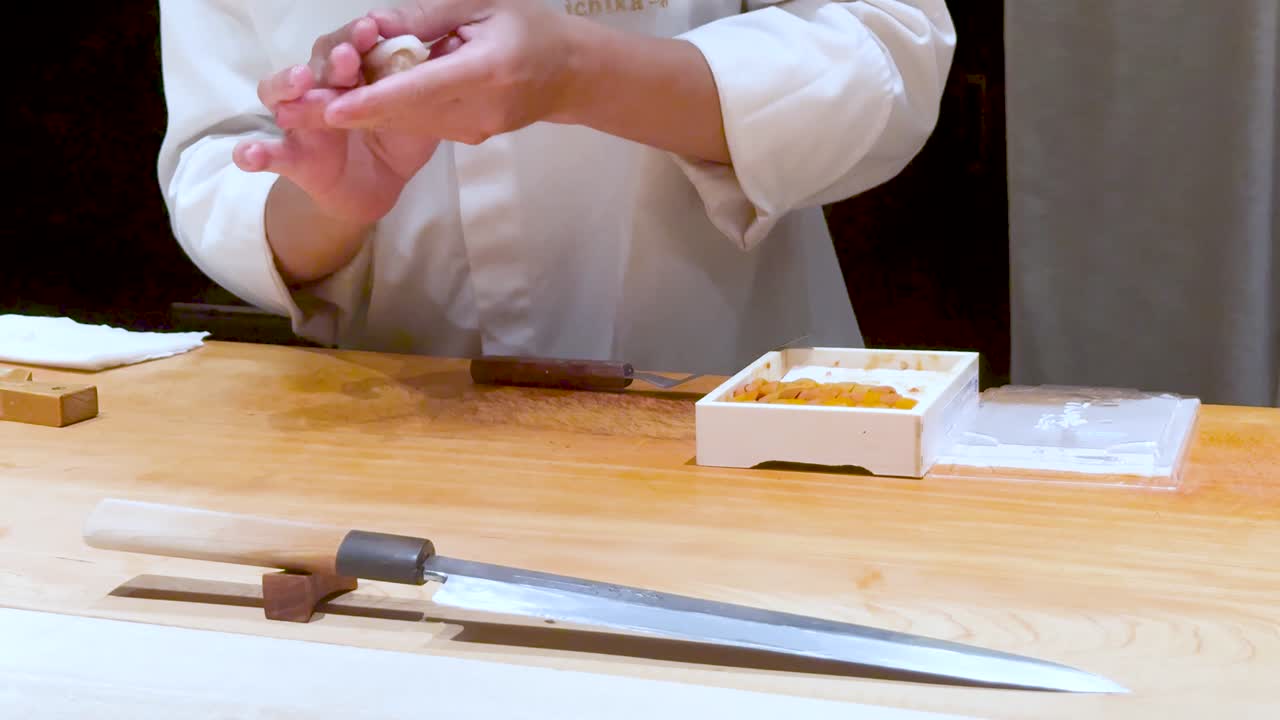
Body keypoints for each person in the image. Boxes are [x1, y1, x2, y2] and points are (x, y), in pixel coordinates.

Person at [156, 1, 956, 375]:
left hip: (737, 406)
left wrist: (583, 74)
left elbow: (892, 44)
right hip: (398, 444)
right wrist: (327, 202)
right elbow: (216, 159)